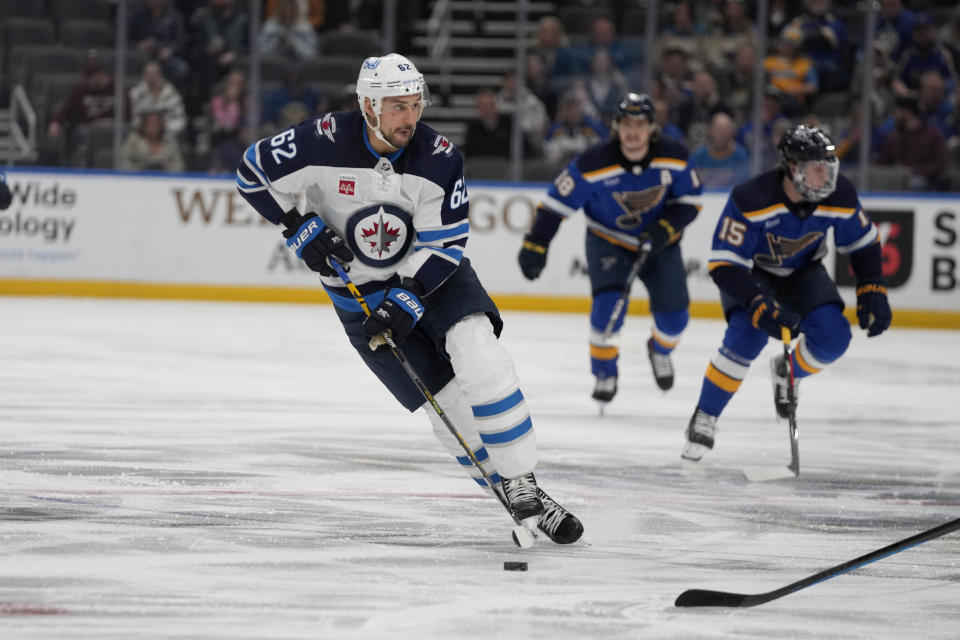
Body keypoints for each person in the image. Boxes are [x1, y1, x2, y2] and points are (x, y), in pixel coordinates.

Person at [235, 53, 583, 545]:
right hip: (359, 299)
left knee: (479, 351)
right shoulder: (318, 140)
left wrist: (411, 295)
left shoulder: (439, 156)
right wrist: (296, 226)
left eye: (415, 104)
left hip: (435, 280)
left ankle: (522, 478)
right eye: (397, 106)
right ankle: (518, 496)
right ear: (368, 106)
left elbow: (446, 244)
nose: (410, 117)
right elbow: (251, 172)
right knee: (448, 408)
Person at [682, 124, 892, 462]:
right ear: (793, 168)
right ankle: (706, 414)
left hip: (803, 273)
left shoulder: (839, 195)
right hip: (752, 275)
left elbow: (864, 243)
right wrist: (756, 303)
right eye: (817, 168)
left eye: (829, 167)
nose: (826, 176)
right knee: (745, 338)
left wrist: (872, 287)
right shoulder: (751, 198)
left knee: (834, 336)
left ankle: (787, 371)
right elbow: (724, 264)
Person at [517, 93, 703, 407]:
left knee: (675, 321)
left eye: (640, 124)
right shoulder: (593, 162)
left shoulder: (675, 156)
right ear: (616, 127)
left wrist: (667, 227)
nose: (633, 132)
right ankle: (605, 372)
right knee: (606, 313)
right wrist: (537, 243)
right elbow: (554, 204)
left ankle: (660, 350)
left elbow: (690, 201)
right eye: (626, 124)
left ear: (651, 128)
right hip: (609, 241)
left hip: (660, 245)